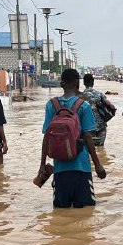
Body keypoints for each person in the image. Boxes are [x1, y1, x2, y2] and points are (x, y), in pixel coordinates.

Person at [38, 68, 107, 208]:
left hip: (59, 169)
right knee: (86, 213)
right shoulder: (83, 106)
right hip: (81, 168)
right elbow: (88, 137)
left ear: (61, 84)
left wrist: (42, 165)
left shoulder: (51, 105)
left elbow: (46, 138)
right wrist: (98, 165)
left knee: (60, 212)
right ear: (78, 84)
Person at [81, 73, 115, 147]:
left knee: (89, 149)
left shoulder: (80, 96)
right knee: (100, 149)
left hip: (87, 128)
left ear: (84, 83)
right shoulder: (99, 94)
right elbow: (111, 107)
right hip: (101, 126)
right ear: (93, 82)